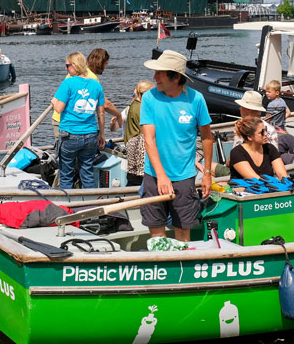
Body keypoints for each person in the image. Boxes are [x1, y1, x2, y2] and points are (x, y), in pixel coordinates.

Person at [139, 50, 213, 241]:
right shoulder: (149, 98)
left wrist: (207, 173)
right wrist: (162, 175)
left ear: (176, 77)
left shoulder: (196, 99)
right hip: (154, 175)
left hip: (185, 177)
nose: (155, 77)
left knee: (183, 233)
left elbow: (206, 136)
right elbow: (149, 140)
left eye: (160, 73)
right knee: (156, 234)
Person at [52, 52, 105, 189]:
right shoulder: (96, 85)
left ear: (74, 66)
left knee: (66, 174)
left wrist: (53, 100)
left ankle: (67, 207)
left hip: (70, 135)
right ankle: (90, 204)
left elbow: (58, 108)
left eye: (67, 65)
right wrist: (102, 134)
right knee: (87, 173)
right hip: (90, 135)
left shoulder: (68, 83)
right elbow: (101, 113)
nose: (66, 69)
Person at [88, 48, 124, 130]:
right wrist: (119, 115)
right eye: (106, 63)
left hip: (63, 119)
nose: (105, 67)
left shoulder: (80, 71)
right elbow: (105, 105)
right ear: (100, 63)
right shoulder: (92, 78)